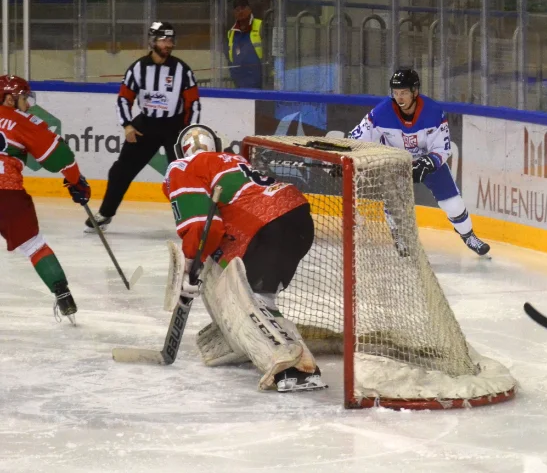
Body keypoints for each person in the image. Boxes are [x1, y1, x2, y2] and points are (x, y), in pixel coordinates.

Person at [162, 123, 325, 392]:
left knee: (253, 297)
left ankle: (294, 366)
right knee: (263, 296)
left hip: (265, 228)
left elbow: (206, 226)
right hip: (298, 218)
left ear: (181, 152)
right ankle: (295, 361)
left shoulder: (181, 168)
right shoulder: (233, 160)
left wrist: (192, 263)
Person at [349, 68, 490, 256]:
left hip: (428, 162)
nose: (399, 98)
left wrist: (428, 162)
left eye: (404, 93)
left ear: (415, 92)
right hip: (396, 162)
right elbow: (356, 139)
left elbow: (442, 148)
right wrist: (344, 158)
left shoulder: (433, 112)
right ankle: (399, 236)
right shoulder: (381, 112)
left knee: (453, 203)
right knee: (393, 200)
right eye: (396, 93)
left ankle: (469, 236)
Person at [89, 21, 200, 232]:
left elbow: (193, 103)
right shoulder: (138, 68)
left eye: (170, 40)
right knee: (120, 171)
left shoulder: (182, 70)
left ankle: (192, 220)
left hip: (174, 128)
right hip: (145, 125)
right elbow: (123, 99)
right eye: (163, 40)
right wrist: (127, 126)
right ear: (152, 41)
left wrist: (187, 132)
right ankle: (105, 214)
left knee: (183, 175)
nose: (168, 44)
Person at [0, 76, 90, 322]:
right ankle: (63, 296)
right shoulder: (20, 120)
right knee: (34, 246)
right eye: (22, 99)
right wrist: (76, 181)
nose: (27, 105)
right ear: (9, 98)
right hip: (7, 194)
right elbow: (60, 156)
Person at [227, 0, 264, 89]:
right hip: (240, 83)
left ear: (249, 9)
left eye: (243, 8)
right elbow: (230, 57)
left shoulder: (260, 26)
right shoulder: (231, 32)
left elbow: (269, 53)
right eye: (237, 9)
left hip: (260, 82)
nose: (240, 12)